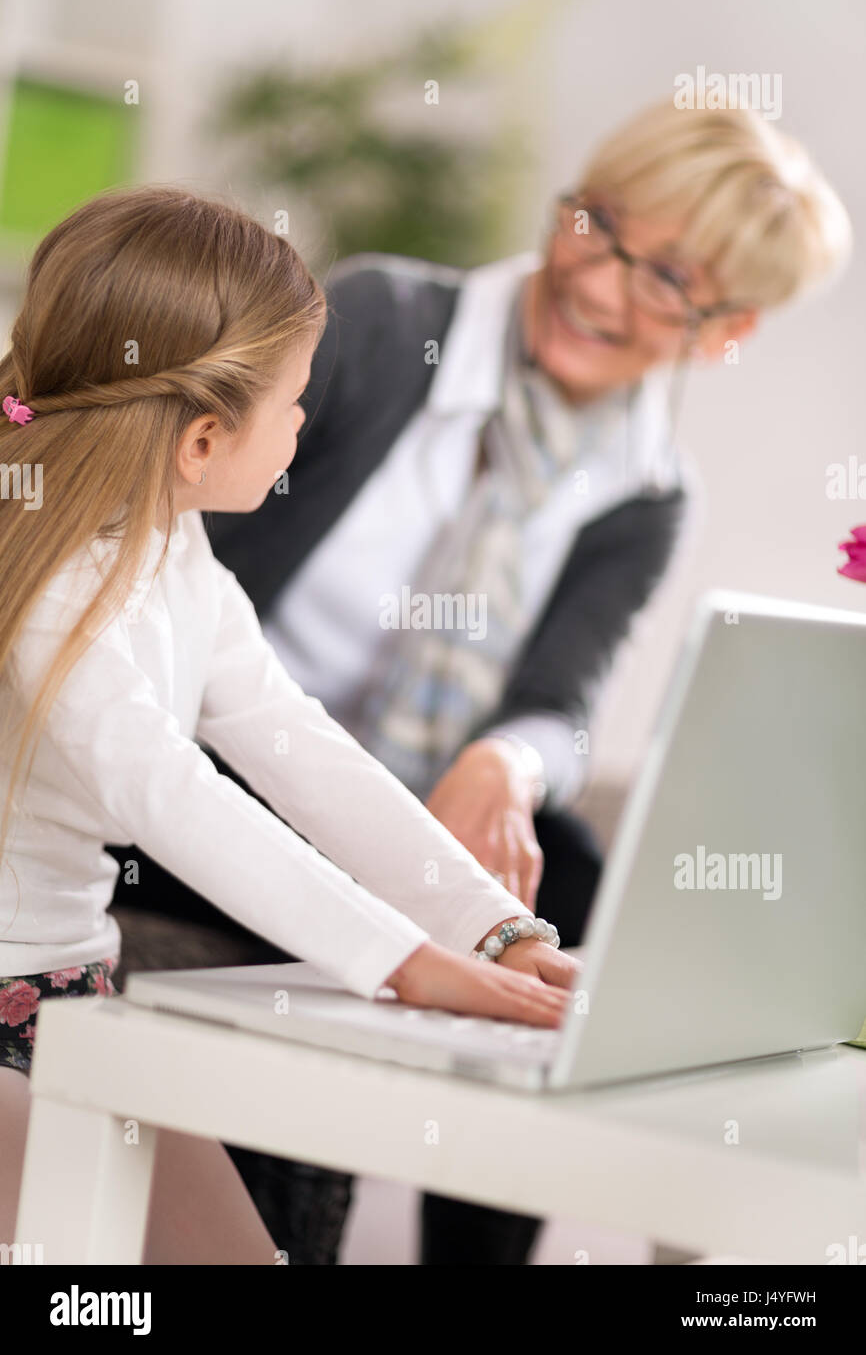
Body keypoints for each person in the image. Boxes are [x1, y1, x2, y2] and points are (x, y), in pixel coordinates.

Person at [113, 98, 852, 1265]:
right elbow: (190, 613)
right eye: (595, 225)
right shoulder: (374, 320)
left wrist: (498, 764)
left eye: (663, 275)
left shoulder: (647, 490)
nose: (599, 284)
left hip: (407, 804)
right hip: (224, 766)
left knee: (577, 857)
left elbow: (563, 701)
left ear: (726, 327)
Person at [0, 185, 580, 1264]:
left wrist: (488, 926)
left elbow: (293, 741)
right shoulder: (47, 584)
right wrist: (400, 959)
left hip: (72, 1011)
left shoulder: (170, 548)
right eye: (295, 401)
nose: (306, 422)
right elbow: (164, 790)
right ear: (204, 438)